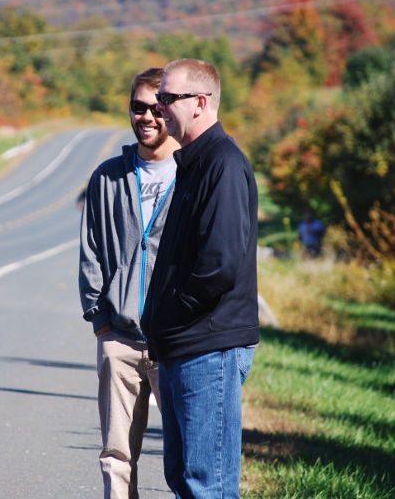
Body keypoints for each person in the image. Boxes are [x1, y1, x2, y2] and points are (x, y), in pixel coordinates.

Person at [142, 59, 260, 498]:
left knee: (206, 486)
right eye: (157, 99)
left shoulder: (222, 164)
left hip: (207, 348)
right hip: (182, 347)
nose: (159, 108)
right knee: (185, 482)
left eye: (168, 98)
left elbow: (218, 267)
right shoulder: (193, 163)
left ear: (200, 103)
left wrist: (170, 316)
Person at [80, 67, 181, 499]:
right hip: (119, 337)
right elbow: (91, 252)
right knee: (116, 454)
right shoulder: (107, 177)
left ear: (171, 112)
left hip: (176, 341)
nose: (146, 117)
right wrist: (101, 322)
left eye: (156, 109)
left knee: (183, 454)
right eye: (138, 107)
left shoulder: (194, 172)